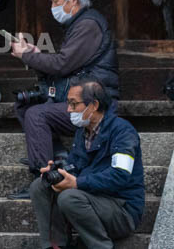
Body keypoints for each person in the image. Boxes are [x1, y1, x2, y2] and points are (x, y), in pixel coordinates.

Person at [7, 0, 120, 199]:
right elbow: (66, 64)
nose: (52, 6)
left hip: (94, 104)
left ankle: (44, 181)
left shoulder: (88, 24)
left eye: (55, 1)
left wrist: (27, 57)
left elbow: (62, 65)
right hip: (79, 97)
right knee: (24, 106)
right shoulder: (80, 24)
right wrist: (36, 55)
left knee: (37, 115)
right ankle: (59, 161)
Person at [29, 78, 143, 248]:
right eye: (68, 104)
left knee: (70, 197)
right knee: (40, 185)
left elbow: (120, 175)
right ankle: (56, 245)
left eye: (74, 104)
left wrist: (77, 182)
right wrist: (58, 171)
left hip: (122, 210)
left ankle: (100, 246)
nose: (68, 109)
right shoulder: (83, 132)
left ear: (94, 105)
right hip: (93, 200)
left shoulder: (123, 131)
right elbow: (75, 165)